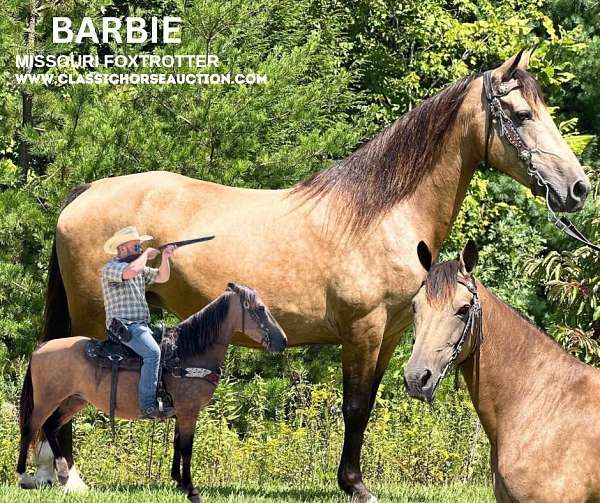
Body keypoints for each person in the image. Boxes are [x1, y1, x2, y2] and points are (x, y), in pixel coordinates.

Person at [101, 226, 177, 419]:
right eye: (136, 247)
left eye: (140, 247)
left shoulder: (138, 267)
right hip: (123, 325)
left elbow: (163, 277)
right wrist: (147, 256)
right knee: (153, 353)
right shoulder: (111, 268)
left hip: (140, 326)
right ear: (122, 249)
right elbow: (129, 272)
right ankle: (147, 406)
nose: (140, 250)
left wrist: (165, 257)